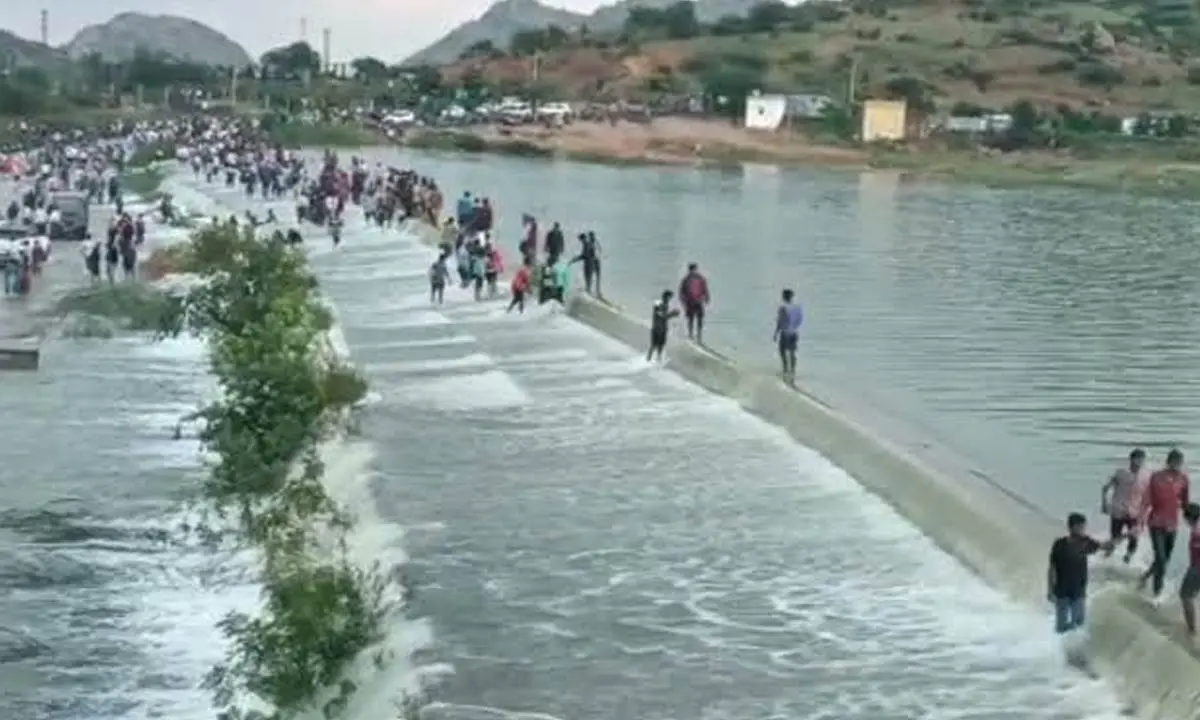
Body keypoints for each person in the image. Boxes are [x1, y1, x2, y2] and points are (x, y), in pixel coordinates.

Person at [1048, 512, 1113, 634]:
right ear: (1072, 527)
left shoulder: (1086, 542)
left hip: (1078, 591)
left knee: (1078, 624)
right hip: (1061, 591)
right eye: (1081, 527)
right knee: (1061, 626)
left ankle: (1072, 643)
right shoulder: (1059, 545)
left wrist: (1126, 535)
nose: (1083, 529)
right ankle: (1061, 643)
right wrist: (1050, 591)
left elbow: (1105, 546)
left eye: (1084, 527)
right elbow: (1052, 569)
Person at [1140, 448, 1191, 599]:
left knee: (1164, 560)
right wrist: (1140, 520)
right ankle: (1157, 593)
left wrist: (1194, 522)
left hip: (1173, 525)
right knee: (1161, 559)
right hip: (1156, 522)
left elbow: (1185, 504)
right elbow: (1147, 499)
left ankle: (1146, 576)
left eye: (1179, 462)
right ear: (1168, 462)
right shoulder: (1156, 476)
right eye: (1174, 462)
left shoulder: (1183, 479)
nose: (1177, 465)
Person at [1101, 448, 1146, 563]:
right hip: (1118, 510)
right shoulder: (1120, 473)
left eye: (1141, 460)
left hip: (1135, 512)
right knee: (1114, 538)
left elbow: (1147, 496)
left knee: (1134, 537)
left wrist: (1145, 513)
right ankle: (1104, 559)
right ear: (1131, 460)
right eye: (1137, 460)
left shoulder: (1145, 476)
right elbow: (1105, 488)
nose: (1139, 463)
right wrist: (1104, 504)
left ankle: (1128, 559)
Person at [773, 288, 803, 385]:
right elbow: (800, 320)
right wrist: (794, 327)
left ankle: (785, 370)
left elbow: (780, 321)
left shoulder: (783, 308)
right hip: (794, 332)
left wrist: (776, 333)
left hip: (785, 333)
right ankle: (793, 371)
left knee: (782, 351)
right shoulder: (798, 307)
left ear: (784, 297)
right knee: (792, 352)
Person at [1180, 502, 1200, 637]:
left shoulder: (1197, 531)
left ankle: (1191, 630)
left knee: (1185, 595)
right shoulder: (1196, 529)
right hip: (1195, 567)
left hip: (1197, 568)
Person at [678, 262, 710, 344]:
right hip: (690, 302)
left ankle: (699, 335)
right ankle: (691, 334)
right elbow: (682, 291)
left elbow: (705, 288)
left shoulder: (699, 278)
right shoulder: (686, 279)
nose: (693, 271)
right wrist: (683, 301)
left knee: (699, 318)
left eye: (694, 269)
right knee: (691, 319)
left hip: (698, 301)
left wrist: (707, 297)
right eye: (693, 270)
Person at [647, 290, 680, 362]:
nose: (670, 299)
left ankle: (657, 359)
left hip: (662, 328)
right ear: (666, 297)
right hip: (657, 328)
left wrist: (672, 315)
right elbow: (662, 316)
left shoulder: (665, 304)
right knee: (654, 345)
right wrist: (672, 314)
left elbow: (664, 316)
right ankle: (648, 360)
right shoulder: (658, 304)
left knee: (660, 345)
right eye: (669, 297)